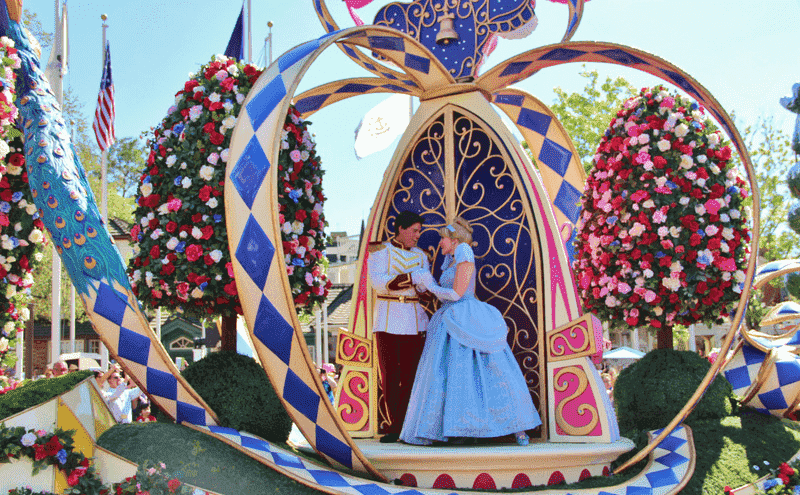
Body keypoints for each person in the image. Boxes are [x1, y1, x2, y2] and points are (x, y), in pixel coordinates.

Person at [400, 217, 541, 446]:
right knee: (454, 375)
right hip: (450, 318)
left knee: (488, 372)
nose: (440, 243)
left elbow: (456, 294)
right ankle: (454, 428)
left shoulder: (464, 251)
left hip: (465, 316)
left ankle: (517, 427)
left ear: (454, 240)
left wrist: (431, 284)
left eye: (443, 238)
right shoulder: (451, 258)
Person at [367, 210, 431, 443]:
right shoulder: (380, 251)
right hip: (388, 320)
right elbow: (379, 283)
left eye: (419, 231)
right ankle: (394, 425)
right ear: (401, 229)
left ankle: (408, 424)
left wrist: (425, 288)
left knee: (411, 376)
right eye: (414, 231)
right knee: (390, 377)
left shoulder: (422, 256)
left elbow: (424, 291)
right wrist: (412, 279)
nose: (417, 236)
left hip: (414, 322)